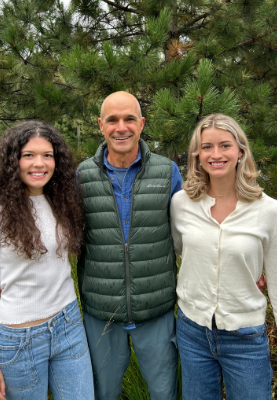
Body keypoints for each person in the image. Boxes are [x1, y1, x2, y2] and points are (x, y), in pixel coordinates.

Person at [171, 114, 277, 400]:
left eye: (225, 145)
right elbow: (181, 252)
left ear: (240, 152)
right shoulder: (181, 203)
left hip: (245, 338)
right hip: (192, 332)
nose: (216, 154)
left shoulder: (270, 212)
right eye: (207, 147)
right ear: (197, 155)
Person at [0, 121, 93, 400]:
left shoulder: (61, 201)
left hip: (69, 326)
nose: (40, 163)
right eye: (29, 155)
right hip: (18, 341)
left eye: (47, 155)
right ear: (13, 161)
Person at [75, 91, 183, 400]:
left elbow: (191, 234)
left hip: (156, 311)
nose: (121, 127)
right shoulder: (82, 176)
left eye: (129, 119)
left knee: (164, 393)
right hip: (102, 314)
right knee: (102, 394)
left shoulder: (167, 172)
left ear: (142, 123)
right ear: (100, 125)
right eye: (112, 120)